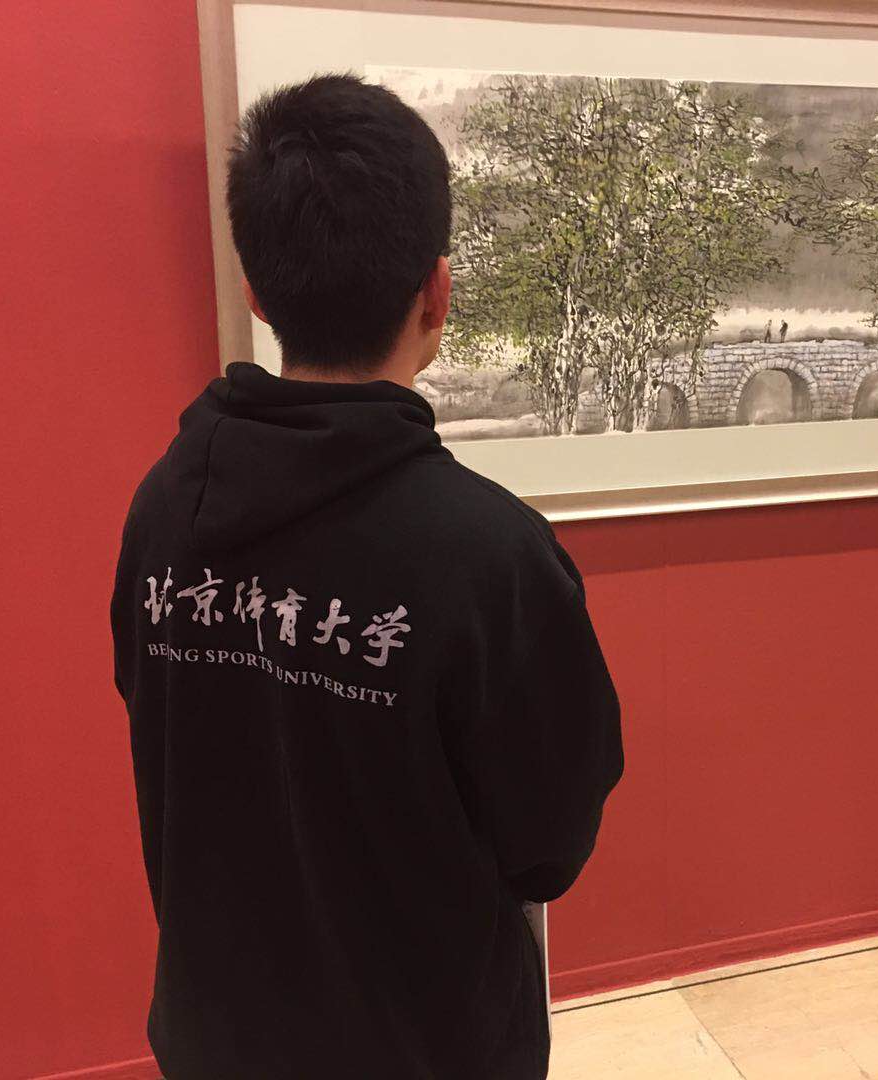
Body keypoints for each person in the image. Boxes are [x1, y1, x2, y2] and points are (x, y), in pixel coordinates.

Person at [110, 74, 623, 1080]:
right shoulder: (492, 555)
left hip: (216, 1041)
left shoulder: (163, 504)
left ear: (255, 291)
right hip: (426, 1052)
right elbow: (548, 847)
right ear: (437, 291)